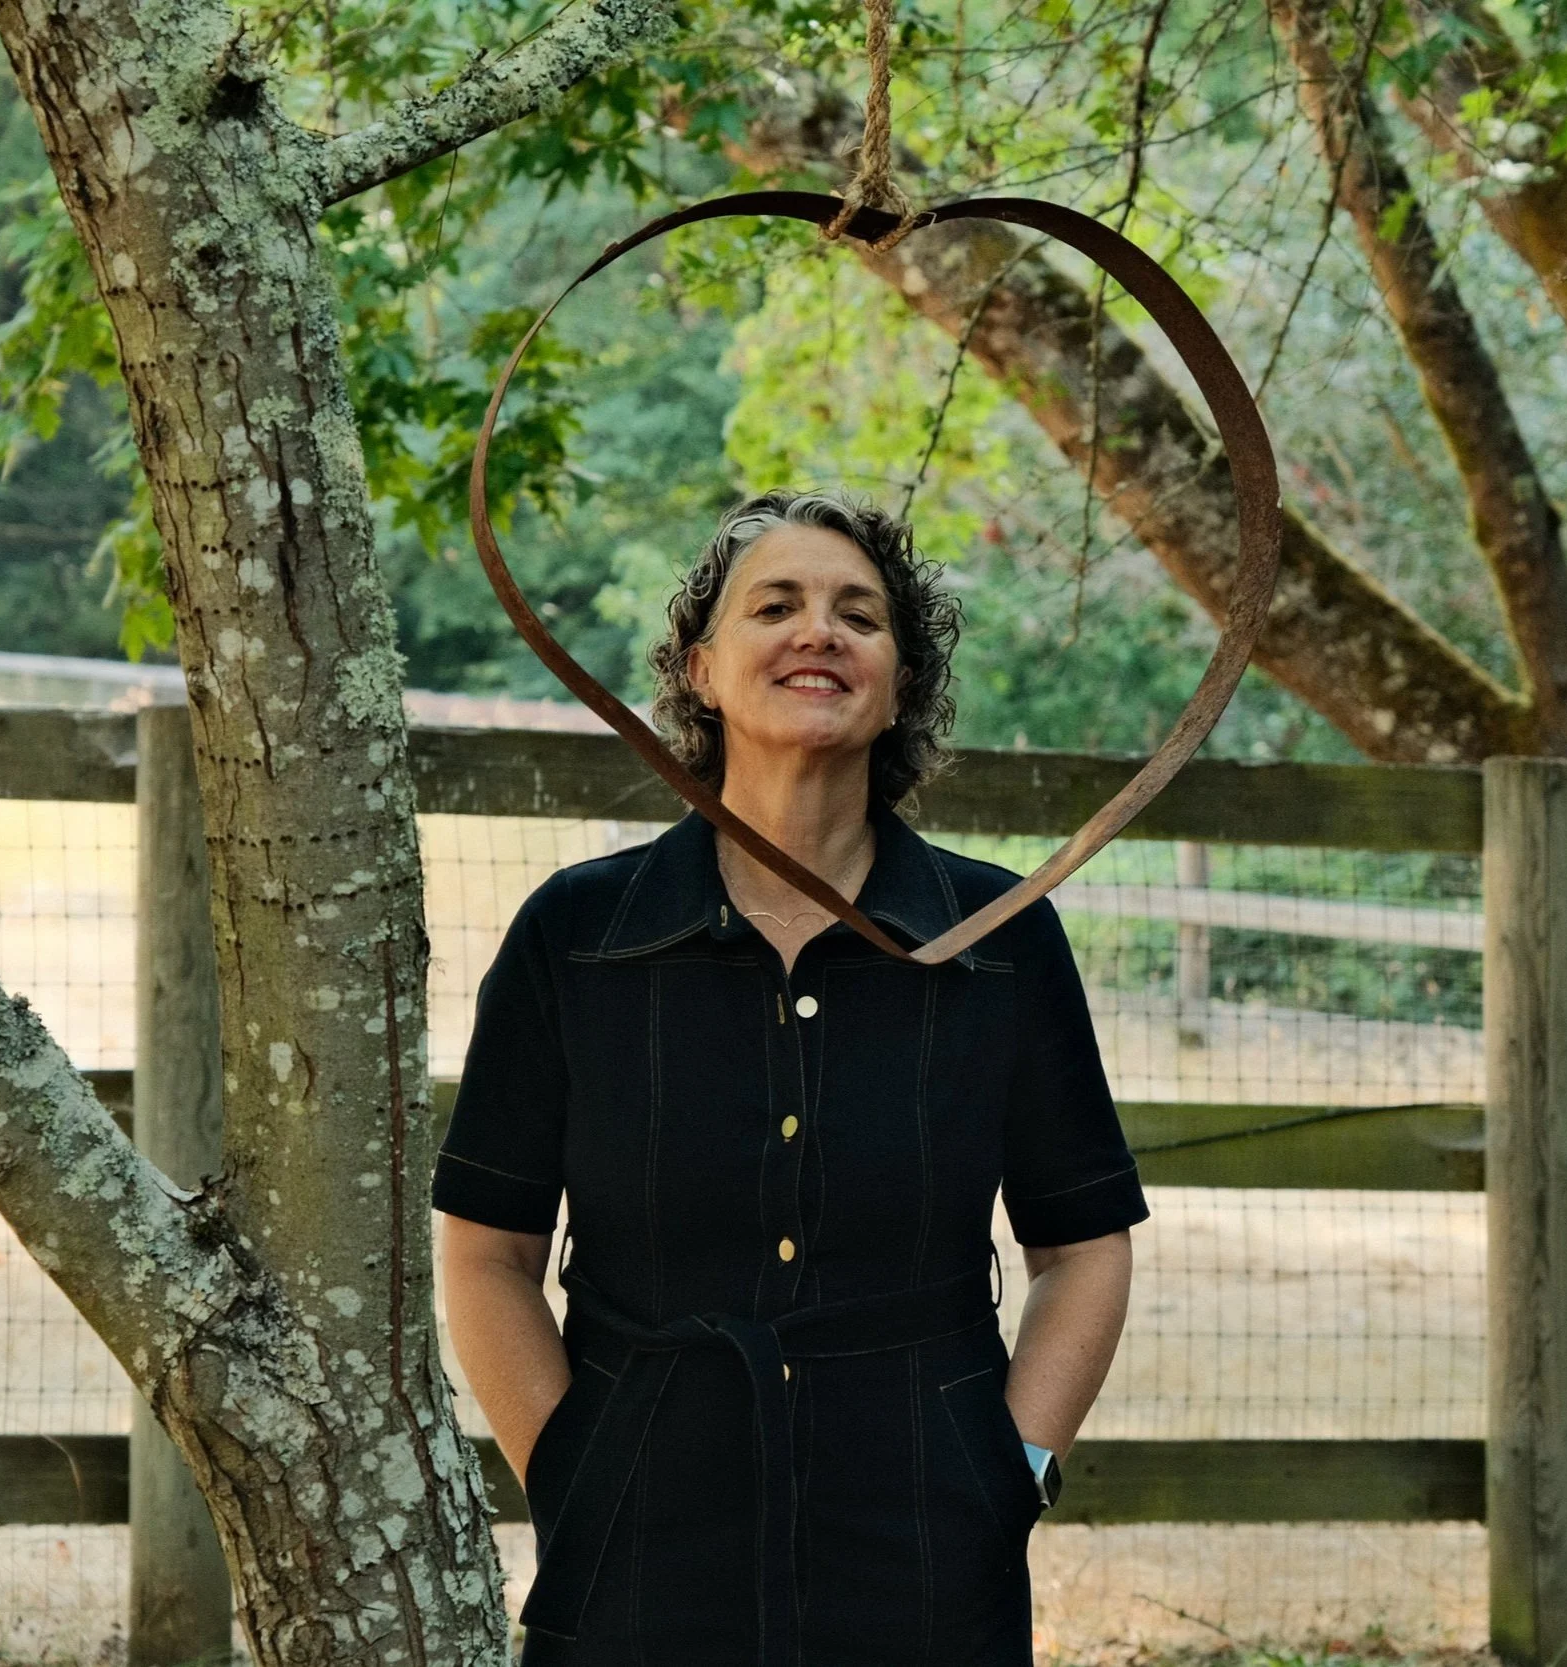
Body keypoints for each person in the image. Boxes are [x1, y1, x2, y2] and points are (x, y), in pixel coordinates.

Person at [432, 487, 1148, 1666]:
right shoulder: (576, 933)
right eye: (776, 604)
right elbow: (487, 1251)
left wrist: (1003, 1473)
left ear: (900, 681)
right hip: (639, 1529)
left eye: (858, 614)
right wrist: (570, 1466)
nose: (818, 630)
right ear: (703, 669)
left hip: (924, 1537)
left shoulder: (998, 933)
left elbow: (1082, 1245)